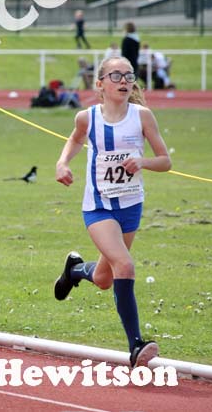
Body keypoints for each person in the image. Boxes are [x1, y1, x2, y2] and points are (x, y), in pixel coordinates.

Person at [54, 55, 171, 368]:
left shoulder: (142, 116)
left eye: (129, 76)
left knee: (106, 278)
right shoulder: (87, 117)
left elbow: (166, 161)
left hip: (131, 206)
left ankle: (75, 270)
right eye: (116, 75)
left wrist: (143, 162)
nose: (124, 81)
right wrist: (62, 163)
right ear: (100, 84)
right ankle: (136, 345)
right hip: (99, 207)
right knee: (126, 265)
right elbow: (76, 140)